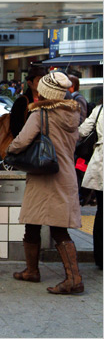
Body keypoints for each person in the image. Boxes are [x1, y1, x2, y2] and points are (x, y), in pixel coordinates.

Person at [7, 72, 83, 294]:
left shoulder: (41, 114)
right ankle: (32, 271)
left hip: (45, 175)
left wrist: (10, 150)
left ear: (45, 92)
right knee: (35, 222)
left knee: (57, 229)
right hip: (65, 173)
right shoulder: (72, 114)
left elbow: (22, 140)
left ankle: (74, 279)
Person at [78, 103, 103, 269]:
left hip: (101, 164)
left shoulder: (100, 109)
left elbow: (81, 132)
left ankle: (100, 258)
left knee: (101, 212)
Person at [9, 65, 47, 137]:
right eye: (39, 80)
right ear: (30, 83)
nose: (43, 84)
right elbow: (15, 126)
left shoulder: (48, 100)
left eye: (44, 80)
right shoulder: (22, 101)